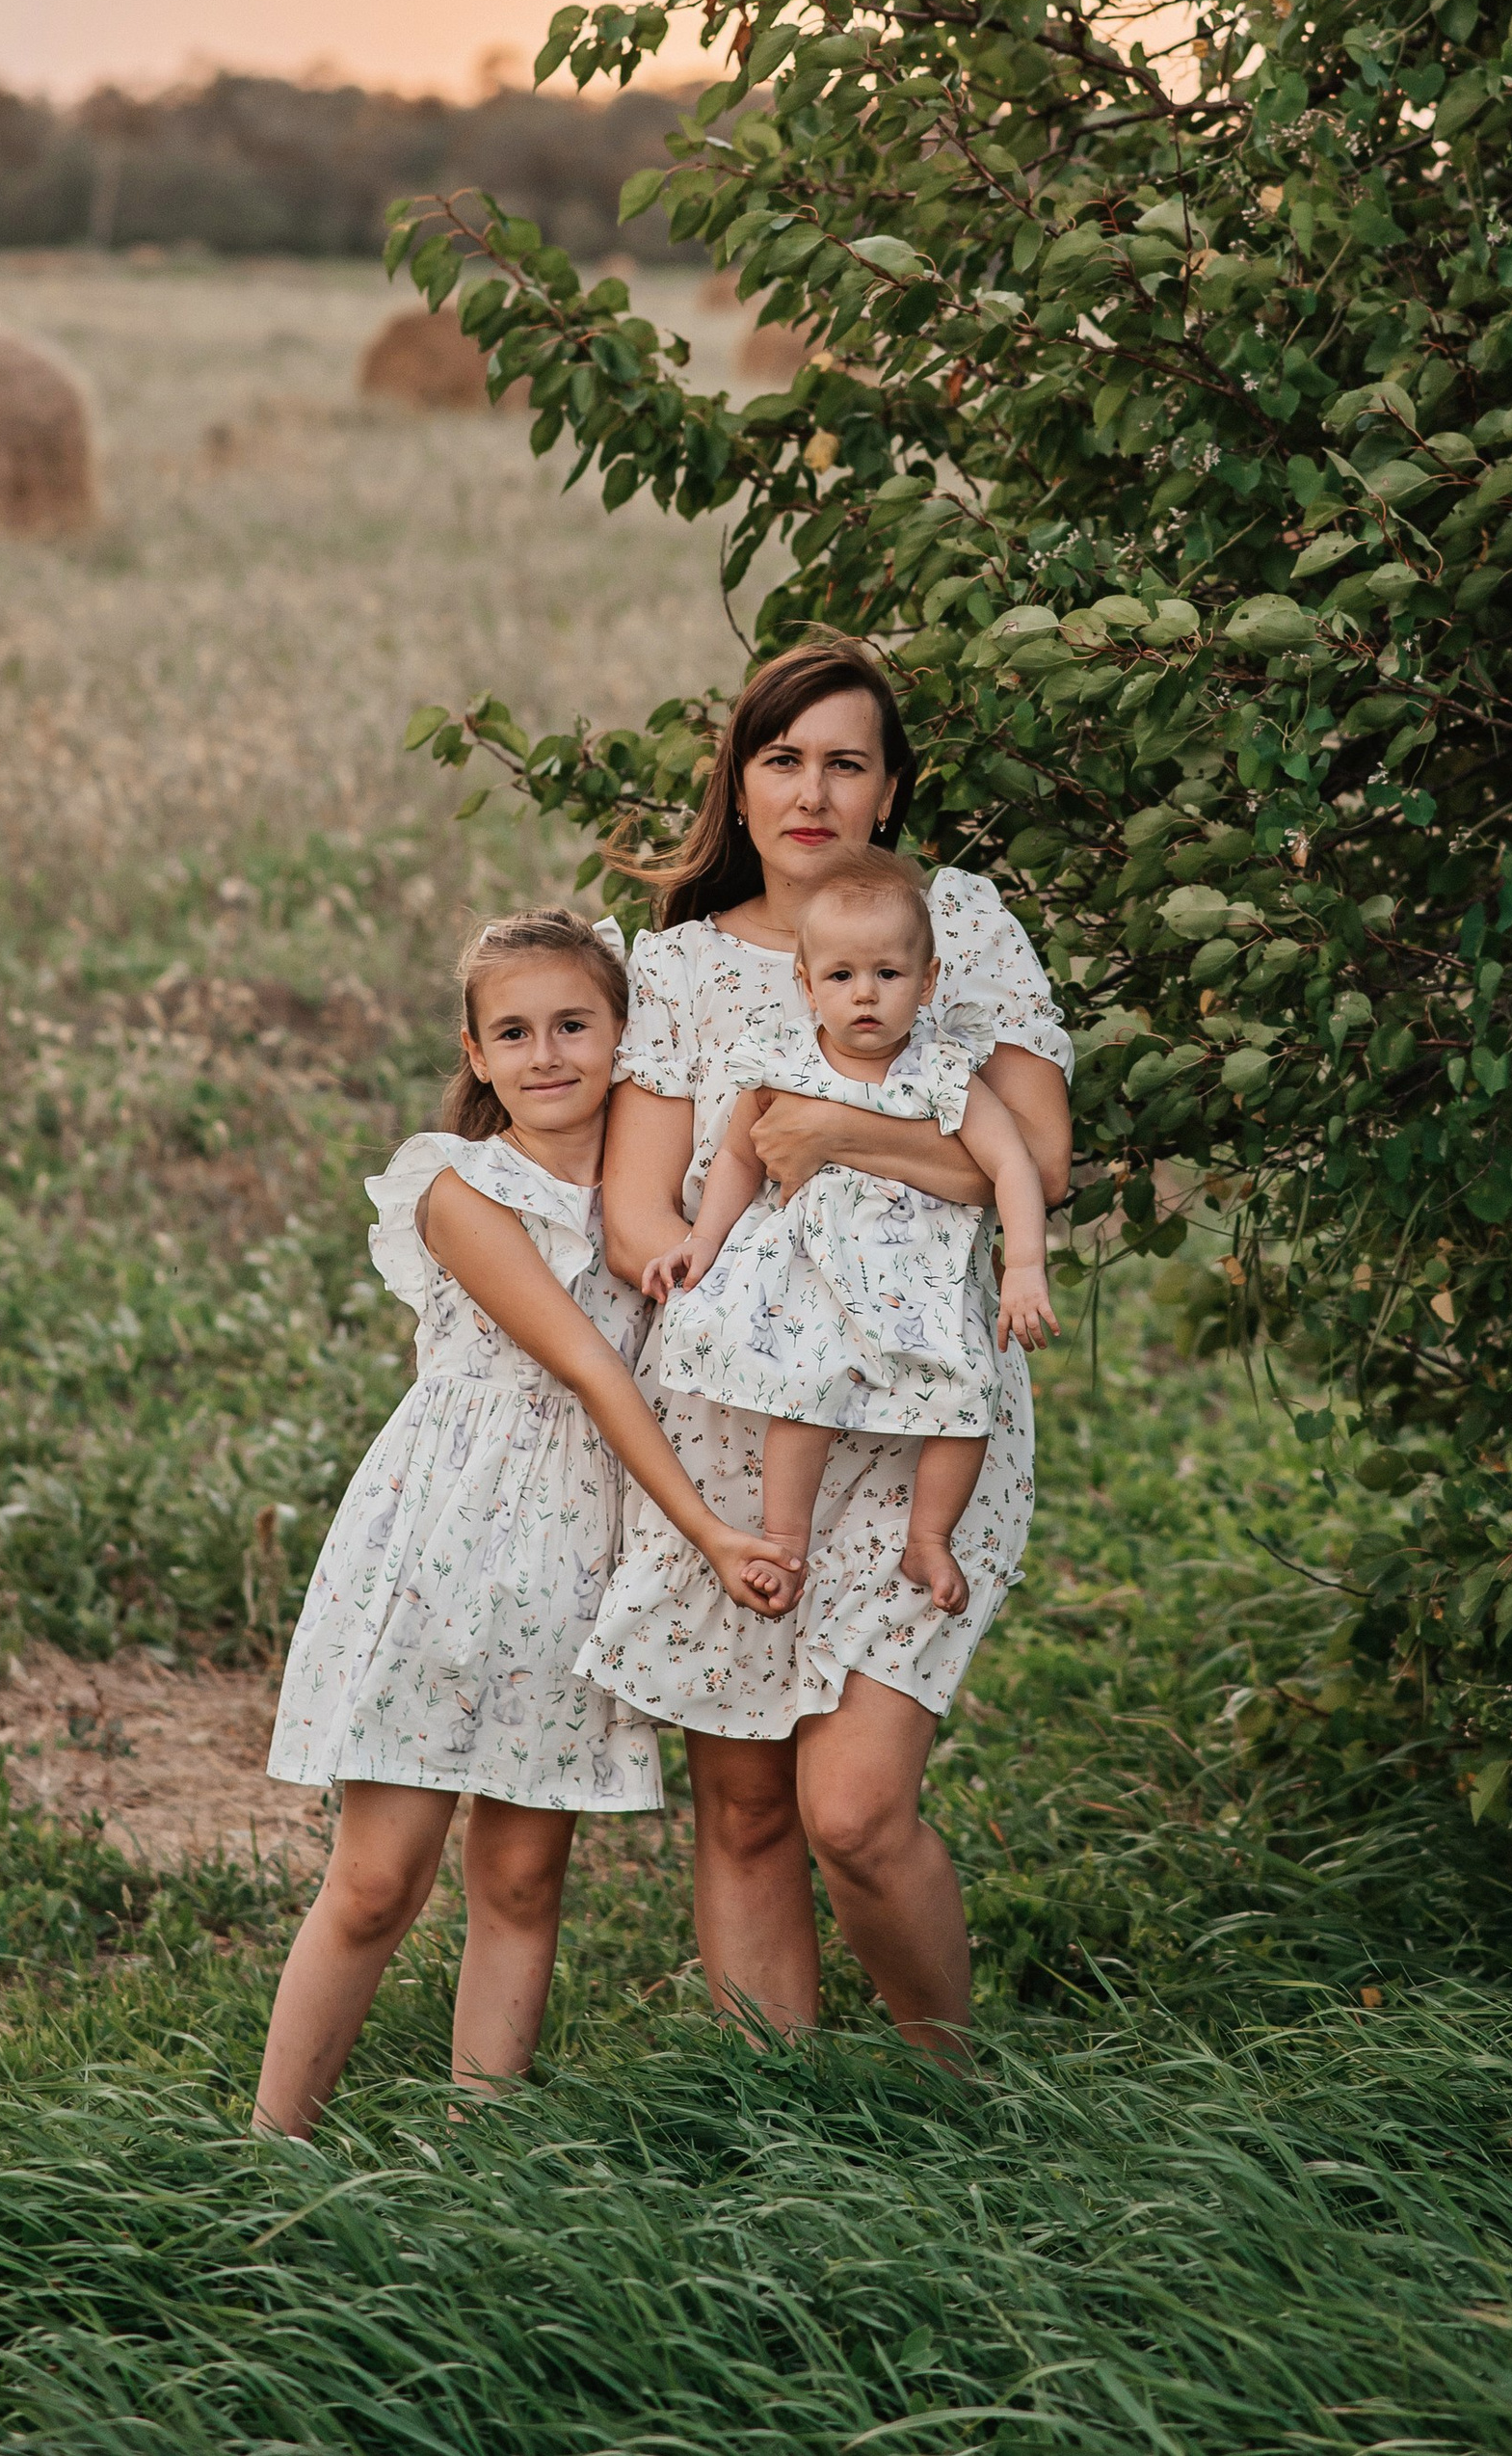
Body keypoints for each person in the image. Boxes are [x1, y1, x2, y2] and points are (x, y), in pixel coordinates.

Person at [576, 640, 1071, 2056]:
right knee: (741, 1803)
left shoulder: (955, 922)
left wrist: (837, 1133)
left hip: (927, 1414)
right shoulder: (673, 961)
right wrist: (703, 1239)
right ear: (739, 778)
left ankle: (954, 2084)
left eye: (846, 760)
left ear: (891, 785)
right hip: (742, 1411)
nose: (813, 789)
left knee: (851, 1807)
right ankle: (778, 2119)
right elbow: (638, 1207)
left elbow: (1036, 1158)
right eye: (784, 758)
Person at [252, 906, 799, 2135]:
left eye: (573, 1024)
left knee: (519, 1872)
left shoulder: (660, 1192)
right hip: (444, 1547)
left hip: (577, 1558)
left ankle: (475, 2153)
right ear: (476, 1052)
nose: (548, 1053)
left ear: (623, 1035)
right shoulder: (458, 1187)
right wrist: (713, 1534)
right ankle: (272, 2146)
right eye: (515, 1032)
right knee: (378, 1878)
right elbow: (593, 1370)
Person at [646, 849, 1058, 1616]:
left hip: (923, 1279)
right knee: (801, 1397)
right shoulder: (782, 1061)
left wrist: (1025, 1266)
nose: (863, 994)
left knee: (968, 1399)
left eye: (888, 975)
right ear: (807, 985)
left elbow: (1014, 1166)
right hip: (815, 1278)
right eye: (840, 976)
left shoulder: (944, 1070)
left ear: (927, 982)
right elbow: (741, 1152)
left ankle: (928, 1537)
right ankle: (784, 1541)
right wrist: (704, 1241)